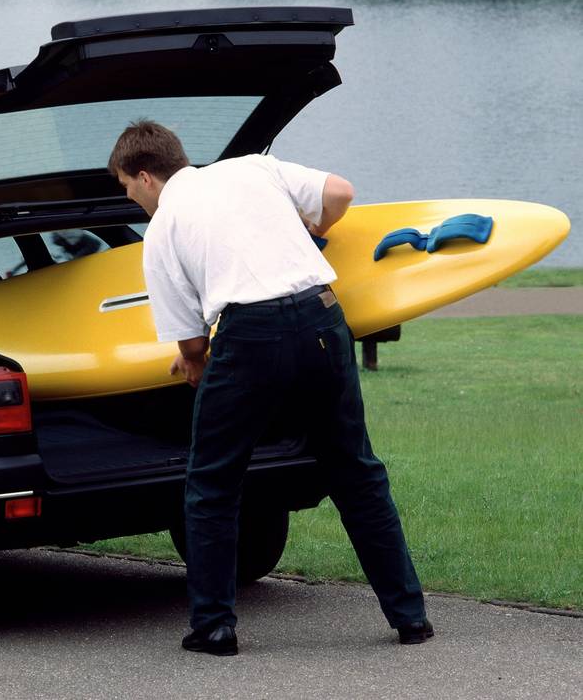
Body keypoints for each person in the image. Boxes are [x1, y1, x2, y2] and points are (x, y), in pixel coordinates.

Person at [108, 120, 432, 656]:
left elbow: (190, 344)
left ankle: (213, 629)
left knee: (213, 484)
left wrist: (194, 365)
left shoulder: (163, 228)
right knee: (357, 473)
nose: (130, 199)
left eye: (125, 186)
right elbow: (340, 193)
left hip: (249, 336)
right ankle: (411, 618)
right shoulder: (252, 167)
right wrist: (307, 229)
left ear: (145, 176)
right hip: (322, 316)